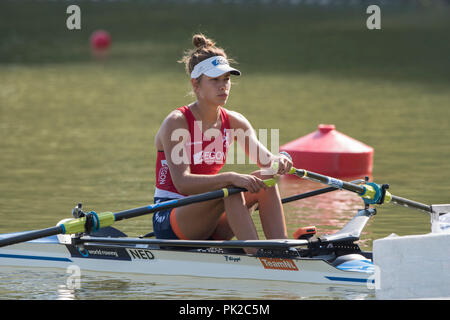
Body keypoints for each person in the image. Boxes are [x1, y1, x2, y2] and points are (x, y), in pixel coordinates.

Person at [152, 34, 293, 253]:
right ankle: (258, 255)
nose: (223, 86)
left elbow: (268, 162)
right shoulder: (177, 122)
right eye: (214, 80)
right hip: (171, 220)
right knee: (231, 186)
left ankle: (283, 249)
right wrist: (230, 177)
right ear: (196, 85)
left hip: (213, 215)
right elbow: (182, 183)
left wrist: (280, 160)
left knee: (267, 178)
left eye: (226, 79)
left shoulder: (234, 121)